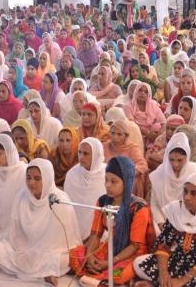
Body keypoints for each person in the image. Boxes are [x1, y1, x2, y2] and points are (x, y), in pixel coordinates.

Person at [0, 158, 82, 285]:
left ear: (48, 178)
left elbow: (66, 244)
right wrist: (23, 249)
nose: (31, 183)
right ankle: (44, 273)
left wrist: (39, 252)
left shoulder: (59, 201)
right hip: (25, 249)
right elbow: (15, 233)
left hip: (51, 253)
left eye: (37, 179)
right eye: (28, 178)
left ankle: (46, 272)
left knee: (63, 260)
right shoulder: (21, 197)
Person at [133, 172, 196, 287]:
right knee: (138, 263)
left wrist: (183, 280)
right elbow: (163, 243)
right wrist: (163, 273)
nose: (187, 197)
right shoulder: (176, 210)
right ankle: (166, 282)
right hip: (179, 260)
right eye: (185, 191)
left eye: (193, 193)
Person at [70, 156, 154, 285]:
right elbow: (96, 234)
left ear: (127, 183)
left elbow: (134, 246)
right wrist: (90, 256)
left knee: (118, 275)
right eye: (106, 180)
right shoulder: (103, 201)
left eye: (114, 181)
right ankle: (99, 279)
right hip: (111, 248)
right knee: (76, 256)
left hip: (133, 253)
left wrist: (109, 262)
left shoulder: (139, 208)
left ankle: (99, 279)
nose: (108, 185)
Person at [150, 132, 196, 234]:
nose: (175, 164)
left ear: (187, 156)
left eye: (180, 160)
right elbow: (154, 205)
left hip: (190, 224)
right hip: (162, 223)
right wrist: (161, 223)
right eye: (171, 159)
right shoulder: (159, 174)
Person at [64, 137, 107, 241]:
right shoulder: (72, 174)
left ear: (96, 155)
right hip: (74, 230)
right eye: (79, 152)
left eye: (86, 153)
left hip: (102, 232)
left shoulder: (107, 174)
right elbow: (68, 207)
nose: (81, 157)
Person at [104, 120, 149, 198]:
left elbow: (142, 165)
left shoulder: (132, 148)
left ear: (126, 135)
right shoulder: (105, 146)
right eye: (113, 133)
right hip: (107, 178)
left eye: (119, 134)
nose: (115, 137)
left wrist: (125, 173)